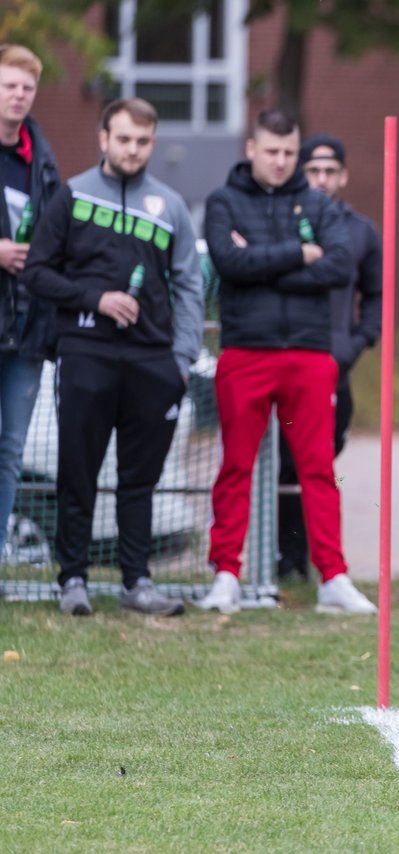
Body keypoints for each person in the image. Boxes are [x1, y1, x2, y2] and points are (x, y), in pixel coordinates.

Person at [23, 98, 202, 617]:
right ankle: (73, 580)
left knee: (139, 480)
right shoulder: (72, 196)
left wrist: (181, 360)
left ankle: (136, 582)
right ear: (104, 139)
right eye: (123, 139)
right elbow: (37, 271)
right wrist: (94, 299)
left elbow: (190, 285)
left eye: (143, 141)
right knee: (78, 472)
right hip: (85, 354)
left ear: (153, 143)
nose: (132, 149)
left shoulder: (169, 206)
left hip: (153, 363)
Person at [197, 109, 375, 615]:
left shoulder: (319, 203)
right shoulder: (223, 201)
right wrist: (301, 254)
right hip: (245, 352)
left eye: (288, 153)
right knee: (236, 466)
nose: (280, 161)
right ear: (250, 148)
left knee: (317, 469)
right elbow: (228, 266)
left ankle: (333, 579)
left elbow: (339, 266)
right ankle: (226, 575)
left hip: (308, 355)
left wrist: (262, 260)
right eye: (271, 151)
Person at [275, 133, 382, 582]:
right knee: (281, 462)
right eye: (312, 171)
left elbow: (375, 296)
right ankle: (285, 558)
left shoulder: (360, 232)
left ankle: (314, 558)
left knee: (321, 461)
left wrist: (356, 344)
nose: (320, 180)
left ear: (343, 176)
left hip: (334, 367)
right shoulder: (281, 221)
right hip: (285, 358)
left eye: (328, 172)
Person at [0, 45, 59, 561]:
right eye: (9, 85)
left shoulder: (41, 161)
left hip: (26, 325)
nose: (19, 96)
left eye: (27, 87)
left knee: (10, 452)